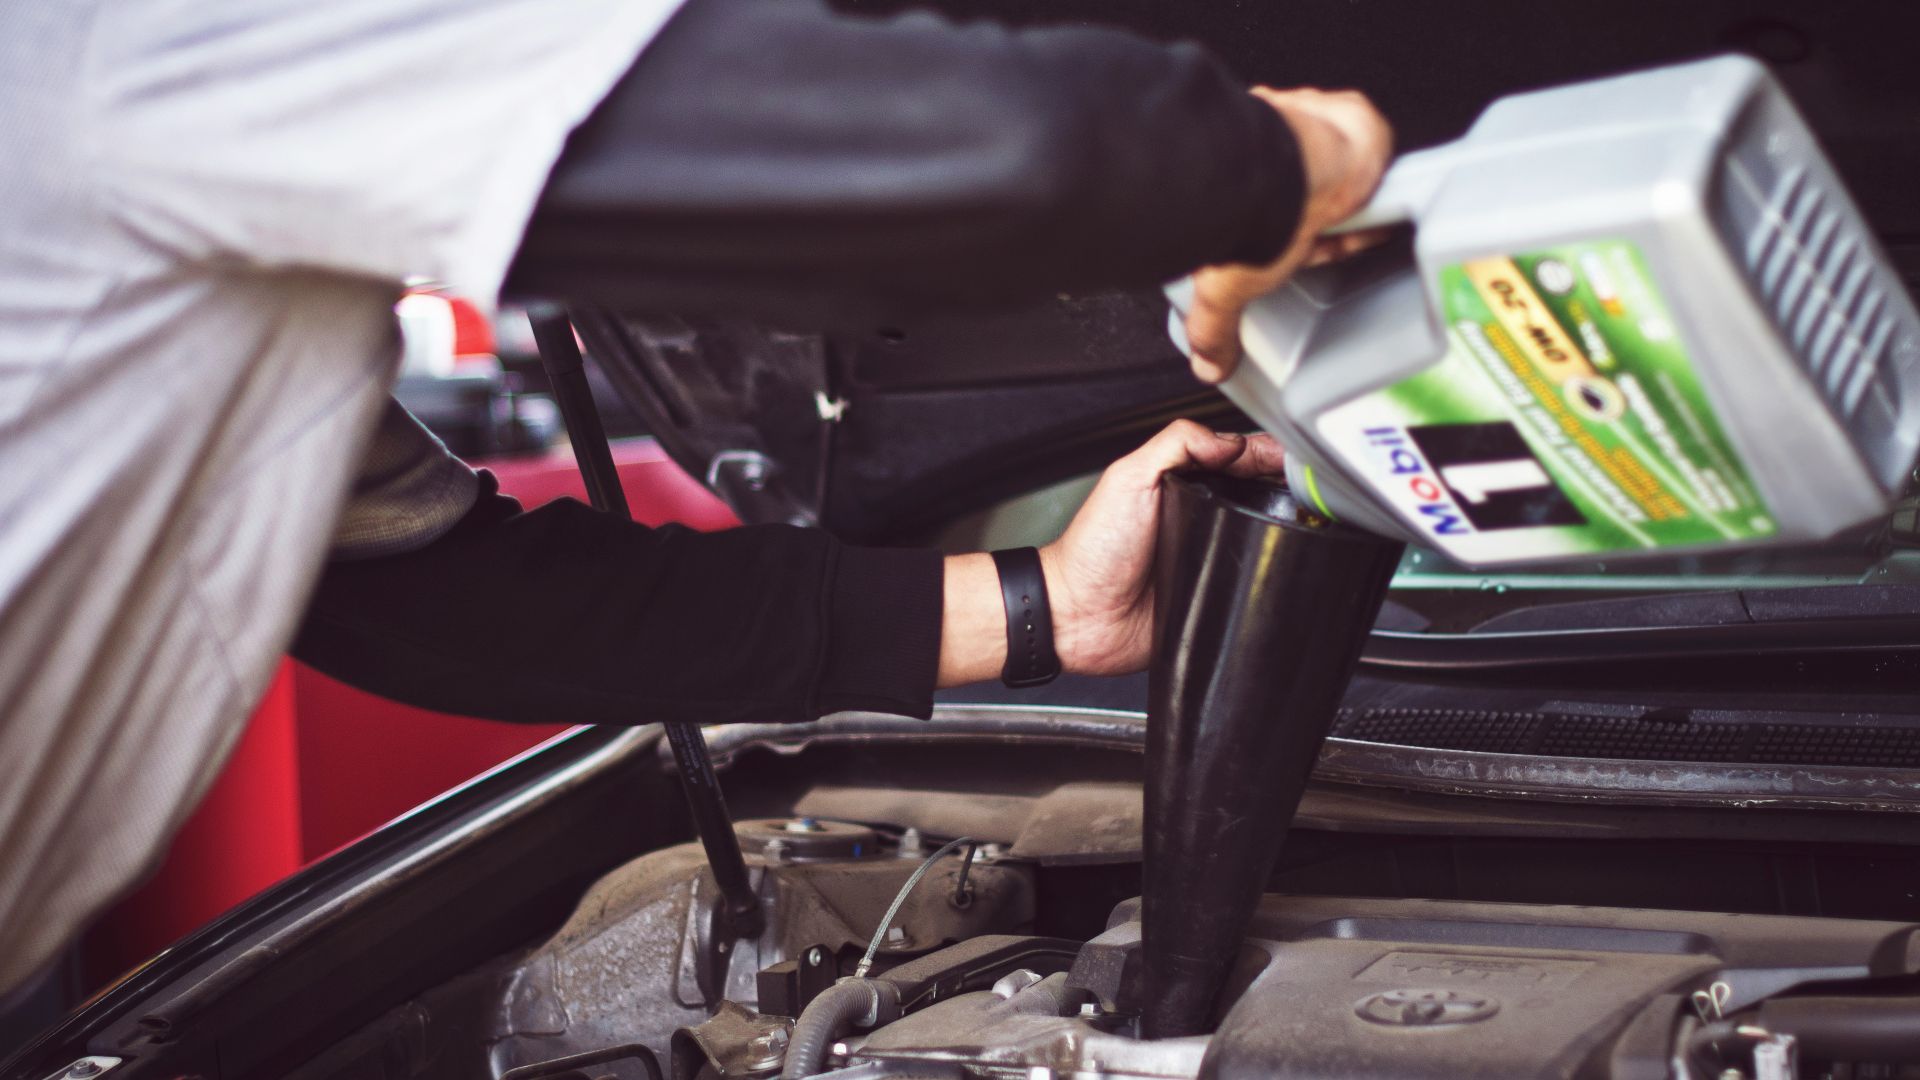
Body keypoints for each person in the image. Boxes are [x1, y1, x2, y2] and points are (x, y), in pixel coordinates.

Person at [0, 0, 1389, 993]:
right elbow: (992, 150)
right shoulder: (133, 38)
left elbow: (432, 601)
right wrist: (1285, 161)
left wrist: (1043, 610)